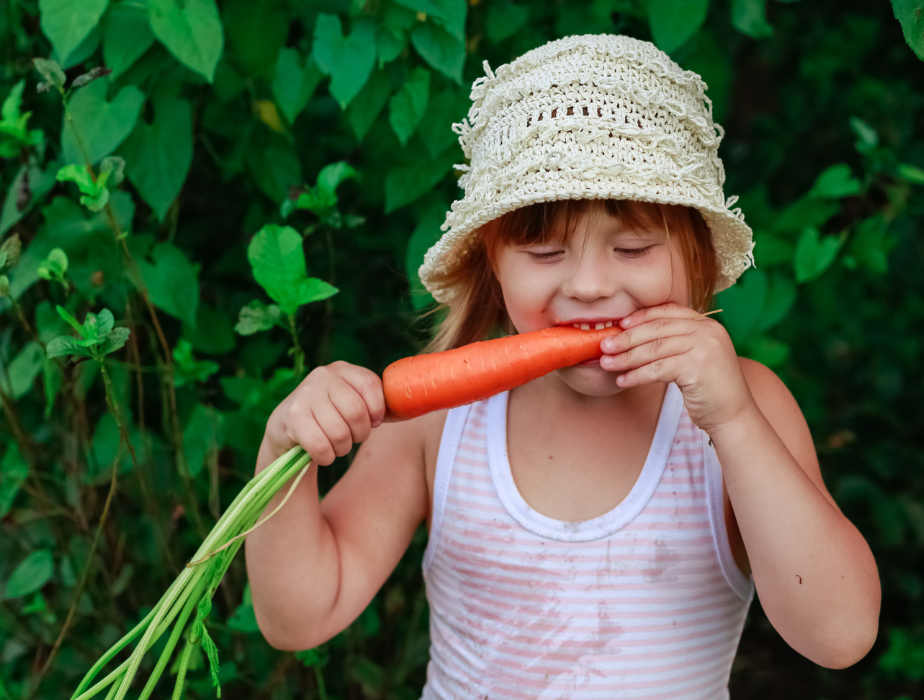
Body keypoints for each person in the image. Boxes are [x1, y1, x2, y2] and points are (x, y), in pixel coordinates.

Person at [245, 34, 880, 699]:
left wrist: (735, 421)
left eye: (632, 247)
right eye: (545, 253)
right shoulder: (439, 417)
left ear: (695, 253)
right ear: (492, 261)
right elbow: (301, 616)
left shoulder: (742, 408)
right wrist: (283, 449)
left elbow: (838, 634)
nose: (589, 285)